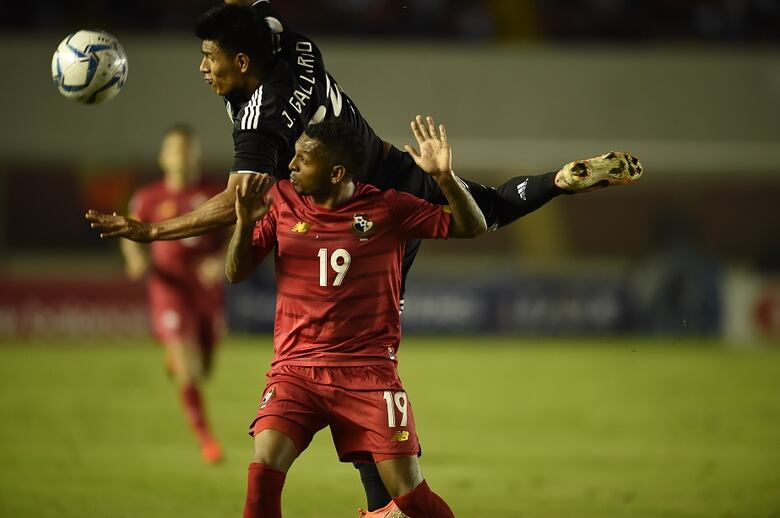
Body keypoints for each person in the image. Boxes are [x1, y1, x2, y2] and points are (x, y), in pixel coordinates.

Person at [85, 1, 642, 511]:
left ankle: (383, 506)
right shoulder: (293, 46)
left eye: (209, 58)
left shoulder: (264, 122)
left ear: (243, 59)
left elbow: (239, 198)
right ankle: (560, 181)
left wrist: (152, 231)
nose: (202, 69)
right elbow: (257, 17)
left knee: (363, 352)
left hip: (360, 213)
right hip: (384, 170)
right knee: (484, 209)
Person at [226, 115, 483, 518]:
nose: (291, 166)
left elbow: (473, 226)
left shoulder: (388, 208)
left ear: (336, 172)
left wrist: (446, 178)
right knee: (262, 472)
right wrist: (243, 225)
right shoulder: (281, 202)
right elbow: (236, 272)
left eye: (303, 159)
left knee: (411, 497)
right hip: (296, 370)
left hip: (368, 373)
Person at [120, 125, 226, 464]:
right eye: (174, 150)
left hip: (206, 291)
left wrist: (220, 261)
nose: (180, 156)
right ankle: (206, 440)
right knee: (188, 369)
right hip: (169, 290)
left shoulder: (215, 192)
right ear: (163, 157)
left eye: (186, 150)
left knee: (205, 366)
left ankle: (181, 357)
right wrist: (136, 258)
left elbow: (241, 230)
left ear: (196, 154)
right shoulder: (148, 196)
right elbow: (130, 230)